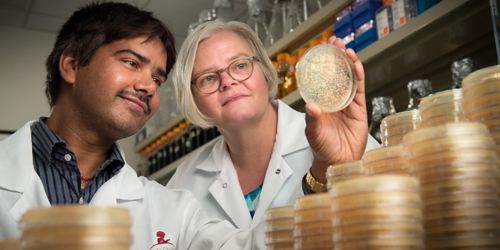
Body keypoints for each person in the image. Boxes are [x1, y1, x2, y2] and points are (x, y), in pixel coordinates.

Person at [0, 3, 256, 249]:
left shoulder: (174, 209)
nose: (149, 87)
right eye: (132, 63)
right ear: (72, 66)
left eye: (157, 78)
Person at [167, 20, 379, 246]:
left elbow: (398, 224)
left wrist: (335, 171)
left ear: (266, 73)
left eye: (240, 65)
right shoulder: (184, 182)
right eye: (208, 78)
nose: (227, 81)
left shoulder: (339, 136)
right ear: (194, 100)